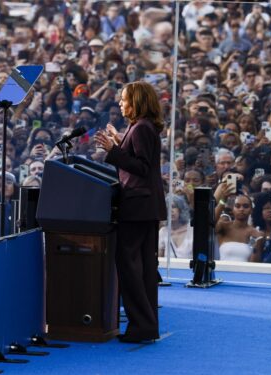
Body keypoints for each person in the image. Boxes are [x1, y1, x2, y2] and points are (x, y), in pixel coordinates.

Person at [95, 81, 166, 343]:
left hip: (137, 206)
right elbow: (137, 158)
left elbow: (142, 167)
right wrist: (118, 142)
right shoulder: (141, 127)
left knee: (130, 267)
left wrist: (114, 150)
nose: (121, 104)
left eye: (124, 99)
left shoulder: (141, 128)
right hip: (145, 206)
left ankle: (141, 325)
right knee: (145, 268)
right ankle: (146, 325)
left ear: (137, 101)